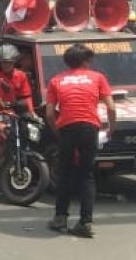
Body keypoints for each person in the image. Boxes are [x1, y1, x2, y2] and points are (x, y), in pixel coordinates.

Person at [45, 44, 115, 238]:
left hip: (66, 127)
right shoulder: (98, 77)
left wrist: (58, 132)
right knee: (87, 175)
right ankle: (85, 222)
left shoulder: (56, 80)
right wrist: (111, 128)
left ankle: (60, 217)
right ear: (86, 61)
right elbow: (111, 107)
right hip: (89, 128)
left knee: (64, 172)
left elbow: (50, 113)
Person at [0, 43, 36, 156]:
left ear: (15, 62)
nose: (7, 65)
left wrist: (31, 113)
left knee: (27, 132)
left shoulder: (21, 75)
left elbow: (26, 97)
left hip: (13, 113)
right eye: (4, 62)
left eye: (9, 62)